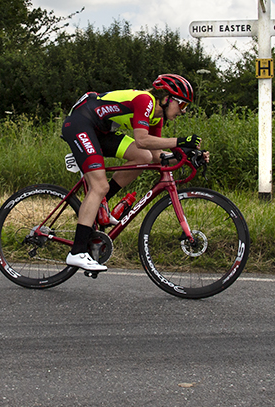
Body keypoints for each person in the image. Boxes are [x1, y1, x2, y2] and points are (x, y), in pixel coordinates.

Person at [59, 73, 202, 272]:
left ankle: (101, 204)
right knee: (99, 185)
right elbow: (142, 140)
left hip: (101, 130)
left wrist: (188, 155)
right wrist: (180, 141)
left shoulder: (156, 117)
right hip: (81, 123)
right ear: (167, 98)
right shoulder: (146, 101)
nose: (183, 112)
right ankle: (77, 252)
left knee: (143, 158)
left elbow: (155, 154)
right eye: (183, 105)